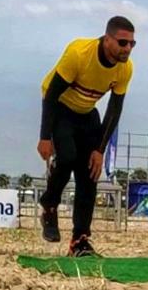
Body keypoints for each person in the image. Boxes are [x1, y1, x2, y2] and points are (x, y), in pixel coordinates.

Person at [37, 16, 136, 256]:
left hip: (86, 113)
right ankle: (49, 205)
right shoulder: (79, 52)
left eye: (132, 44)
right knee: (68, 157)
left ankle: (79, 240)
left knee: (89, 174)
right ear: (107, 39)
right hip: (60, 106)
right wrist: (45, 137)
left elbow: (114, 110)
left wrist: (99, 150)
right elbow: (50, 95)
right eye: (123, 43)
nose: (127, 49)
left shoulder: (125, 68)